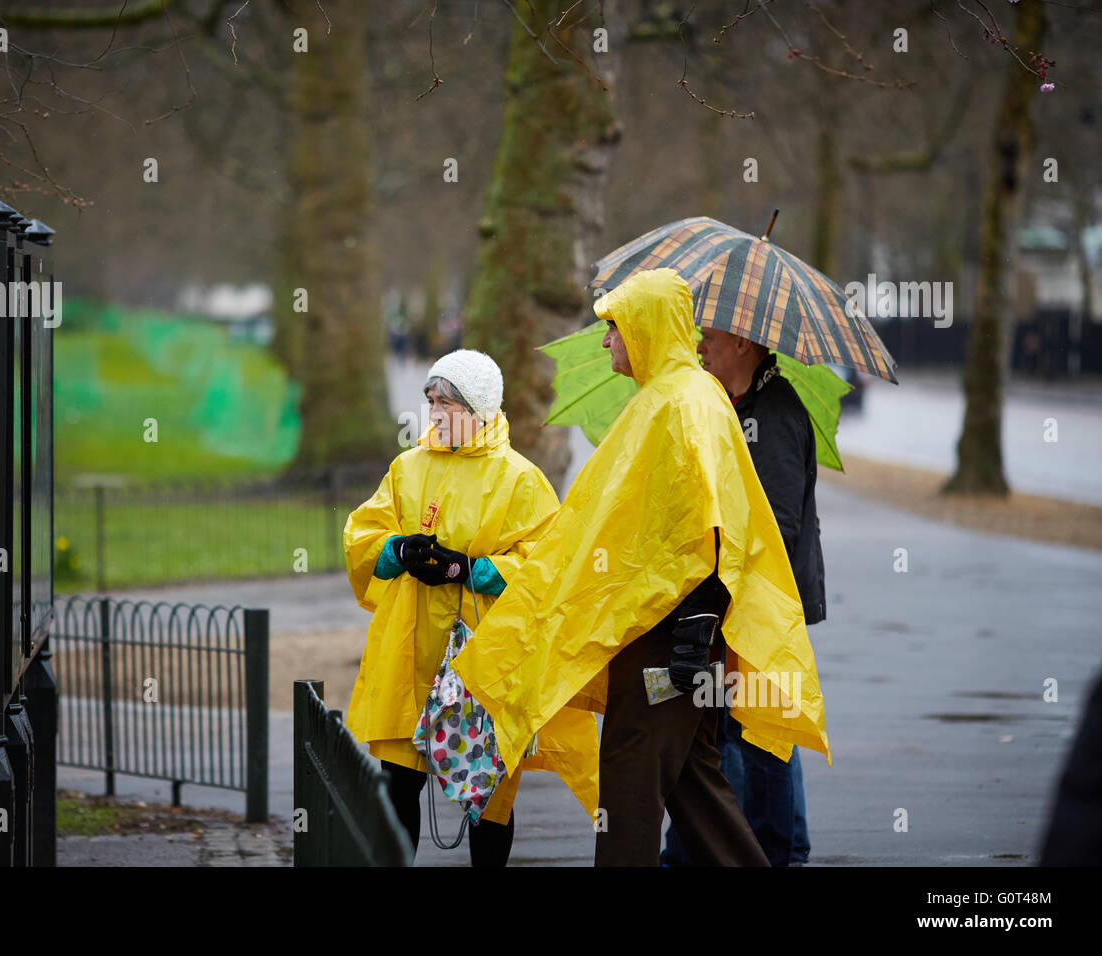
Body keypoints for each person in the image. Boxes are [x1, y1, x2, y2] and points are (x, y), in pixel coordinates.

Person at [453, 268, 829, 867]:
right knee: (694, 788)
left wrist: (697, 619)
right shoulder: (675, 398)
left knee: (629, 791)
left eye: (614, 328)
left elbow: (711, 523)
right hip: (662, 633)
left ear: (646, 326)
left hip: (665, 636)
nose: (606, 341)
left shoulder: (682, 403)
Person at [342, 348, 600, 867]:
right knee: (396, 785)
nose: (433, 412)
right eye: (430, 400)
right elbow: (364, 534)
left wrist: (471, 570)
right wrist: (398, 551)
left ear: (477, 408)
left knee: (488, 802)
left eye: (445, 403)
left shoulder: (520, 480)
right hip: (409, 653)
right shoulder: (408, 466)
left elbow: (549, 566)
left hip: (485, 658)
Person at [662, 328, 826, 867]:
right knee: (741, 728)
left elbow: (779, 524)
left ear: (743, 344)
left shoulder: (774, 413)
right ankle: (740, 847)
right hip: (731, 595)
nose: (700, 344)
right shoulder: (728, 401)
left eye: (710, 336)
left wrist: (724, 579)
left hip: (762, 600)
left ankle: (781, 855)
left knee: (764, 732)